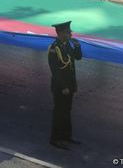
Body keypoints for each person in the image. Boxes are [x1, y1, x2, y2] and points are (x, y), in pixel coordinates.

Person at [48, 21, 82, 150]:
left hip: (70, 85)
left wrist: (78, 46)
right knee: (59, 112)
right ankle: (55, 138)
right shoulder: (54, 48)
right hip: (60, 87)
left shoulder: (67, 44)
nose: (71, 33)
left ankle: (67, 136)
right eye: (68, 32)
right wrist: (63, 87)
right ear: (61, 33)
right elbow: (55, 71)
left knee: (67, 111)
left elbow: (78, 58)